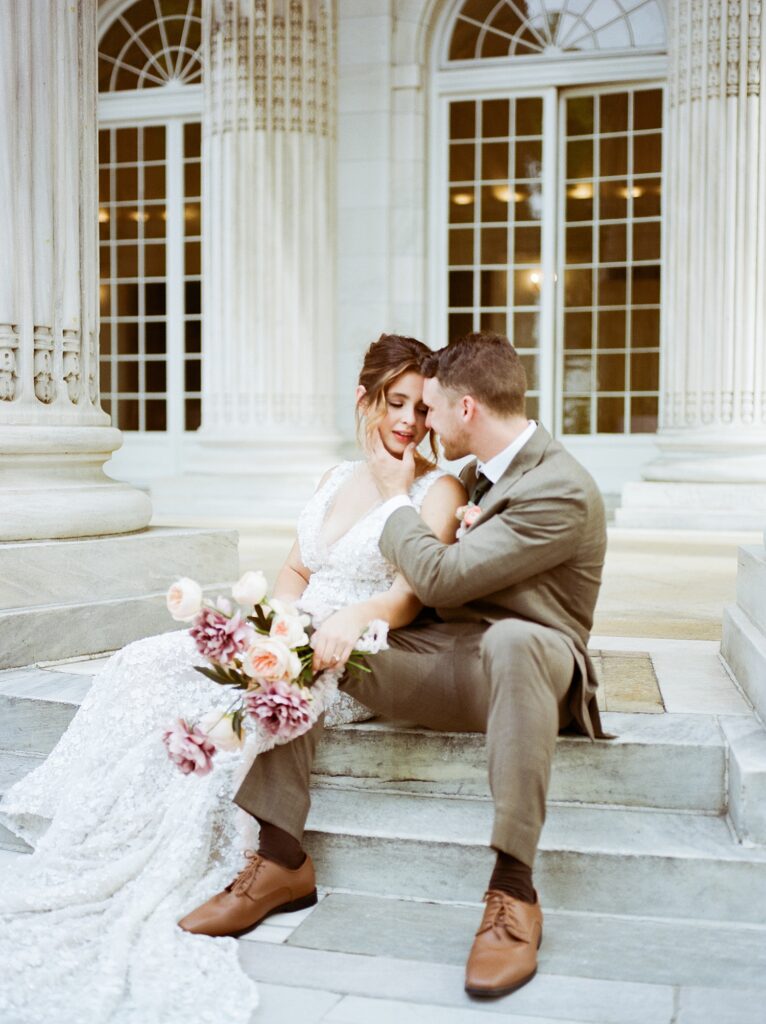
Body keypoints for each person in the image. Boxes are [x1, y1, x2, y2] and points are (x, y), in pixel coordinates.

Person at [0, 333, 465, 1024]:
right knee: (147, 661)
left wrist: (335, 618)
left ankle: (263, 863)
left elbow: (406, 596)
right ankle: (100, 818)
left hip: (355, 645)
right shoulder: (335, 478)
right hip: (294, 629)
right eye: (396, 403)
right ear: (364, 398)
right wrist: (271, 622)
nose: (408, 422)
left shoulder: (438, 487)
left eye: (422, 410)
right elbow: (298, 570)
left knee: (259, 696)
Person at [182, 331, 607, 1001]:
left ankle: (513, 894)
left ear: (466, 408)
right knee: (306, 638)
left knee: (514, 641)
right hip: (447, 660)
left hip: (531, 665)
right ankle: (280, 860)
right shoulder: (471, 477)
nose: (421, 425)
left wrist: (391, 495)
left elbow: (437, 579)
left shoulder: (563, 488)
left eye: (432, 408)